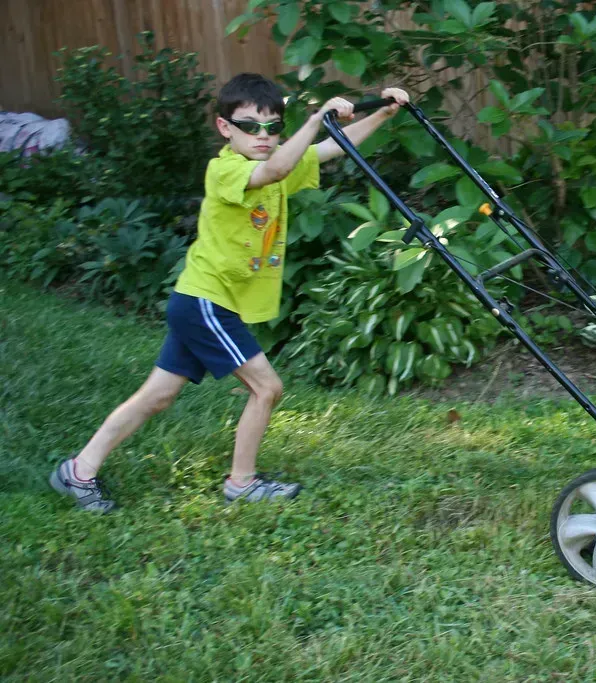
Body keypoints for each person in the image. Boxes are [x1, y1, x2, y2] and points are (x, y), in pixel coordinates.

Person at [49, 73, 410, 512]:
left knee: (157, 396)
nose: (264, 136)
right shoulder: (226, 170)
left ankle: (78, 470)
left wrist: (384, 114)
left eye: (273, 127)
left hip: (202, 301)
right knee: (266, 389)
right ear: (225, 128)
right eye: (250, 126)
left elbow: (332, 147)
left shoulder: (277, 161)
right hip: (206, 302)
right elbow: (277, 166)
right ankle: (242, 483)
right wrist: (316, 118)